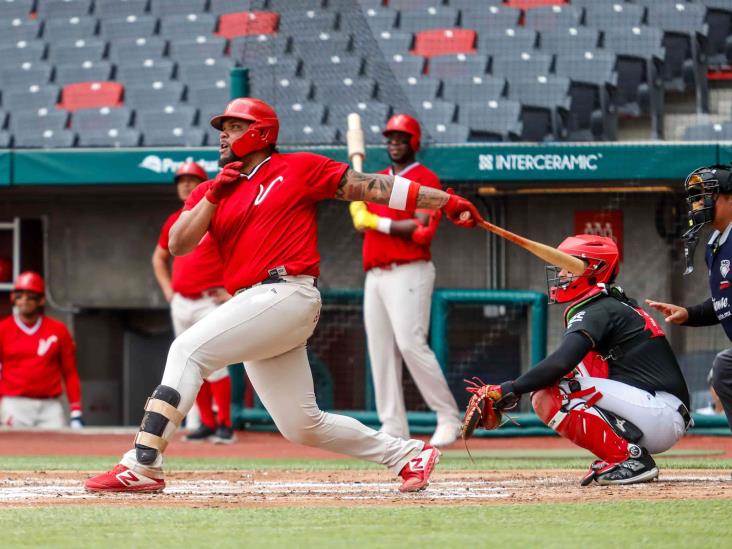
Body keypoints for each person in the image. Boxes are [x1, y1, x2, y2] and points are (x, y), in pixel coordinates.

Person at [84, 97, 480, 494]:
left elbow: (374, 188)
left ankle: (142, 462)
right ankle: (407, 454)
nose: (223, 133)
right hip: (255, 305)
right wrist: (211, 197)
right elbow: (177, 244)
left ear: (260, 132)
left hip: (287, 293)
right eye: (223, 127)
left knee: (186, 350)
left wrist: (443, 201)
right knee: (301, 425)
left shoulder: (299, 168)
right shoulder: (212, 188)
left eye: (234, 126)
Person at [462, 235, 691, 486]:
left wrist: (509, 389)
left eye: (567, 266)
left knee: (551, 391)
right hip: (654, 411)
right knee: (567, 379)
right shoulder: (606, 303)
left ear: (594, 269)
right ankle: (622, 453)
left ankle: (630, 458)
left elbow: (560, 362)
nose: (561, 274)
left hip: (660, 413)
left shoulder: (600, 307)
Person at [349, 114, 461, 447]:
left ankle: (448, 417)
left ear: (415, 141)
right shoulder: (376, 179)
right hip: (376, 273)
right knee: (380, 350)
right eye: (390, 137)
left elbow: (421, 230)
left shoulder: (425, 178)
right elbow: (366, 223)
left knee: (411, 344)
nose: (395, 142)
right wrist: (358, 208)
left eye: (402, 137)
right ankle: (393, 425)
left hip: (409, 269)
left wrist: (374, 222)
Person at [152, 160, 235, 444]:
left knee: (217, 365)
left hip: (208, 300)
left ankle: (225, 424)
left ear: (203, 183)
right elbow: (159, 257)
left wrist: (232, 290)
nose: (186, 184)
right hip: (182, 302)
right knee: (189, 363)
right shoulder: (174, 220)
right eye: (181, 180)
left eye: (192, 179)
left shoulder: (217, 213)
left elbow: (237, 252)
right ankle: (207, 425)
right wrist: (167, 290)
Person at [646, 164, 732, 432]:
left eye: (706, 194)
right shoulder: (715, 244)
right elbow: (724, 302)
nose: (698, 203)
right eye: (695, 196)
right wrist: (690, 314)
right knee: (725, 369)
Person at [0, 272, 84, 429]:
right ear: (13, 298)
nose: (24, 300)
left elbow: (70, 372)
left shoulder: (58, 329)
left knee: (60, 450)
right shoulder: (3, 329)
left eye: (31, 295)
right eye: (19, 295)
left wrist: (76, 411)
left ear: (41, 299)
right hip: (14, 404)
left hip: (50, 405)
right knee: (13, 451)